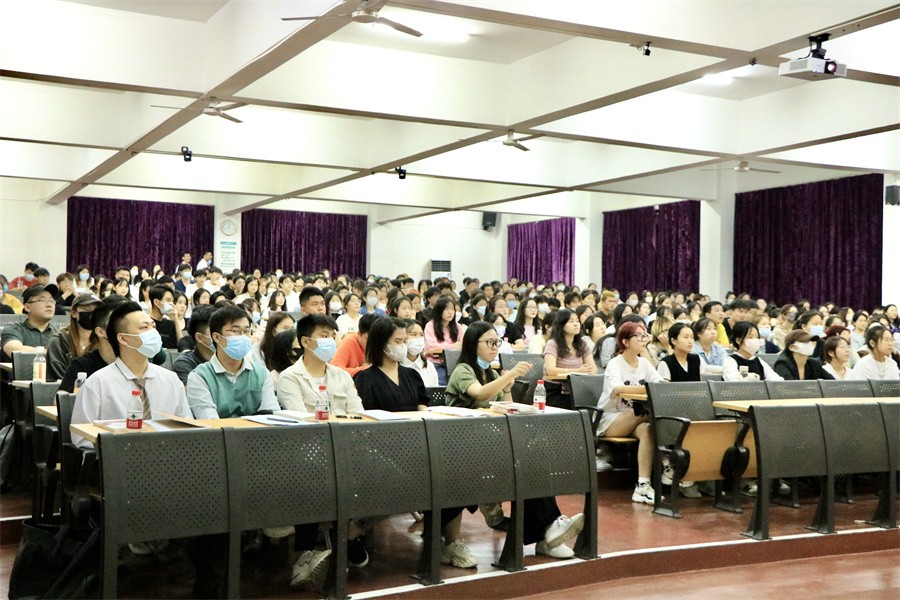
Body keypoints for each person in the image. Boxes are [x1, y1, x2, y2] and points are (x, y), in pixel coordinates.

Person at [443, 321, 584, 560]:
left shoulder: (491, 372)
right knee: (526, 463)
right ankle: (549, 531)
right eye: (489, 342)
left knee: (533, 460)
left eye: (497, 342)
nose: (494, 347)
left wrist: (508, 387)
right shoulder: (464, 370)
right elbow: (480, 393)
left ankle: (548, 532)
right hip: (463, 449)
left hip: (490, 444)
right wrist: (511, 374)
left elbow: (504, 405)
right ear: (473, 344)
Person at [70, 302, 191, 447]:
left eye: (153, 326)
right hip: (119, 456)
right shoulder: (98, 383)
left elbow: (188, 429)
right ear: (123, 338)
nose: (153, 333)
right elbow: (81, 437)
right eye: (144, 327)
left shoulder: (171, 380)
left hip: (168, 455)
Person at [596, 321, 662, 504]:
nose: (643, 339)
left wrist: (649, 387)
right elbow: (618, 389)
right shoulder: (615, 364)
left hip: (635, 418)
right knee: (647, 413)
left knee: (648, 430)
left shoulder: (644, 363)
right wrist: (647, 388)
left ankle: (642, 485)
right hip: (610, 420)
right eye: (638, 336)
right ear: (625, 342)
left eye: (645, 335)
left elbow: (660, 384)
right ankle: (667, 458)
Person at [186, 305, 278, 419]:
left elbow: (271, 417)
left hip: (259, 431)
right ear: (217, 337)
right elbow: (210, 421)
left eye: (247, 331)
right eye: (235, 331)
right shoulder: (200, 376)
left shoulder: (262, 374)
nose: (243, 337)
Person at [277, 314, 363, 414]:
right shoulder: (290, 378)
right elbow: (300, 418)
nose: (331, 341)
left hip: (346, 424)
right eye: (325, 336)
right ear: (305, 342)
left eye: (333, 337)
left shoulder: (343, 376)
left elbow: (358, 414)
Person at [59, 295, 129, 392]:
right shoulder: (81, 365)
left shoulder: (136, 362)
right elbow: (62, 397)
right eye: (117, 324)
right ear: (100, 331)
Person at [542, 309, 596, 409]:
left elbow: (593, 369)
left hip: (577, 388)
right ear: (561, 325)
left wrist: (585, 373)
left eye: (577, 321)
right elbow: (550, 370)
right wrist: (577, 371)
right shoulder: (553, 344)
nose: (576, 324)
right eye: (571, 321)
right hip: (555, 391)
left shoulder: (582, 344)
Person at [47, 293, 102, 381]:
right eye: (87, 309)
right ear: (74, 313)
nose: (92, 314)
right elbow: (59, 374)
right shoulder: (59, 341)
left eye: (97, 311)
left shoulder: (103, 342)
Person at [1, 285, 58, 362]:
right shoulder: (14, 330)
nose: (49, 305)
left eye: (51, 301)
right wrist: (55, 354)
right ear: (27, 307)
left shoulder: (59, 332)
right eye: (42, 300)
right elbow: (15, 351)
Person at [423, 297, 466, 385]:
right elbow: (432, 347)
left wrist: (447, 347)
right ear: (439, 310)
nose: (450, 312)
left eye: (452, 309)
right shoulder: (430, 326)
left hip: (455, 363)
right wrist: (453, 346)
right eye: (446, 309)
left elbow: (462, 345)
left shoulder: (458, 327)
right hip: (436, 363)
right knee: (441, 385)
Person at [173, 306, 216, 386]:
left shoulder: (231, 359)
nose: (220, 336)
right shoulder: (184, 363)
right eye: (214, 332)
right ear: (199, 337)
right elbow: (192, 391)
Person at [400, 319, 439, 387]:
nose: (418, 338)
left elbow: (434, 390)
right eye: (413, 335)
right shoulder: (395, 366)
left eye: (421, 335)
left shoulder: (429, 366)